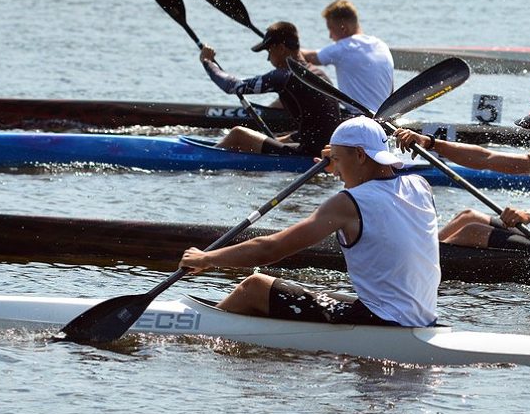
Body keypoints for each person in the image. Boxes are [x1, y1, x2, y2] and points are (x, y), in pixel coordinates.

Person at [180, 116, 440, 327]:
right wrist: (341, 159)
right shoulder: (420, 185)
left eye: (336, 160)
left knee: (255, 287)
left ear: (360, 156)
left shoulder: (348, 203)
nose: (334, 170)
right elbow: (379, 190)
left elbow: (270, 249)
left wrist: (207, 259)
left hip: (385, 321)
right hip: (421, 316)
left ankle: (197, 331)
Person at [393, 93, 530, 260]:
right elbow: (487, 158)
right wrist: (431, 143)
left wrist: (528, 214)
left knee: (473, 231)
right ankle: (418, 259)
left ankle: (421, 265)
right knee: (468, 216)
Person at [200, 21, 340, 156]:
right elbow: (321, 126)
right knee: (275, 139)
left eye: (269, 51)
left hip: (310, 153)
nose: (268, 59)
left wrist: (207, 62)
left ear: (281, 48)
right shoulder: (318, 74)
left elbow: (232, 86)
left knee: (238, 134)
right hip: (328, 150)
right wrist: (284, 139)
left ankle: (201, 158)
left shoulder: (285, 75)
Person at [301, 0, 393, 114]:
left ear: (343, 28)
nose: (330, 36)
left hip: (357, 116)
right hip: (384, 116)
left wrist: (287, 48)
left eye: (331, 29)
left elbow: (308, 57)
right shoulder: (382, 46)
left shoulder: (344, 48)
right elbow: (391, 91)